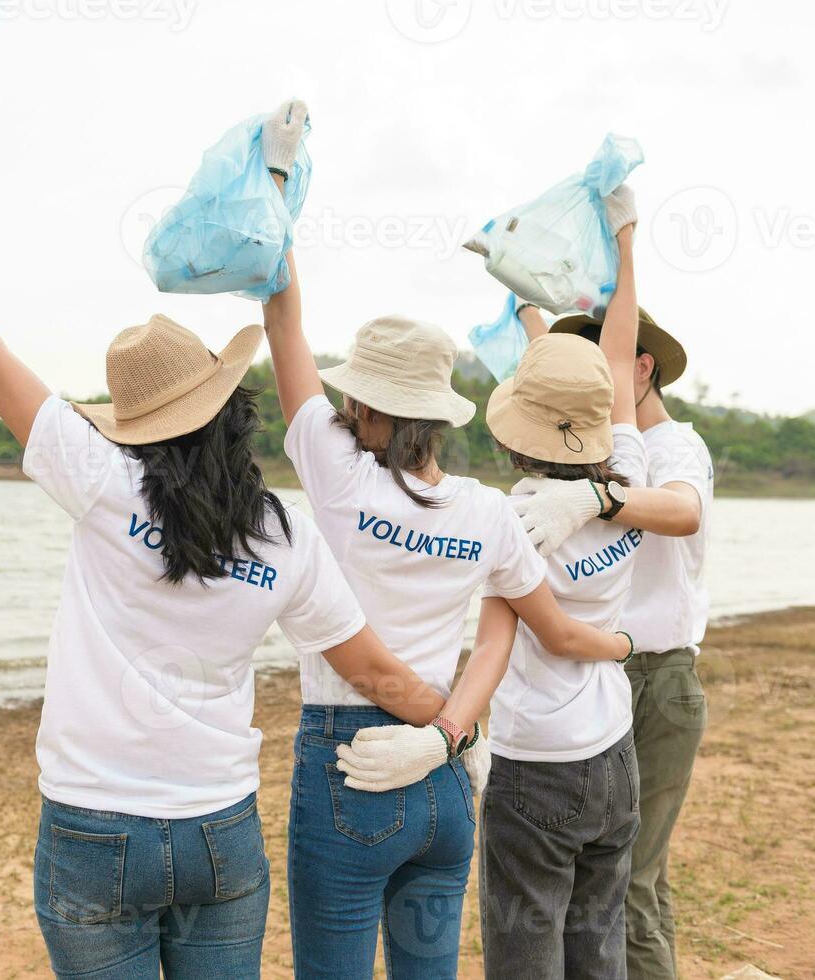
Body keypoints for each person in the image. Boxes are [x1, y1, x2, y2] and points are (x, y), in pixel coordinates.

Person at [0, 172, 460, 979]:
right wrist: (457, 731)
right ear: (228, 411)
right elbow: (378, 671)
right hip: (218, 830)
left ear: (135, 426)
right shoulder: (286, 538)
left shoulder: (100, 481)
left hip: (92, 826)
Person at [254, 99, 633, 979]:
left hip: (348, 762)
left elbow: (283, 325)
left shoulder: (339, 475)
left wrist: (276, 182)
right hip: (442, 776)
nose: (342, 407)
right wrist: (454, 729)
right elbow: (518, 627)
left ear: (366, 407)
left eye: (353, 398)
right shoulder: (485, 510)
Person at [517, 306, 711, 980]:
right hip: (606, 677)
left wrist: (597, 500)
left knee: (631, 879)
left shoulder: (669, 447)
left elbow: (681, 511)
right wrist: (528, 313)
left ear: (640, 369)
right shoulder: (603, 447)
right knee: (595, 879)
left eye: (601, 371)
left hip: (654, 676)